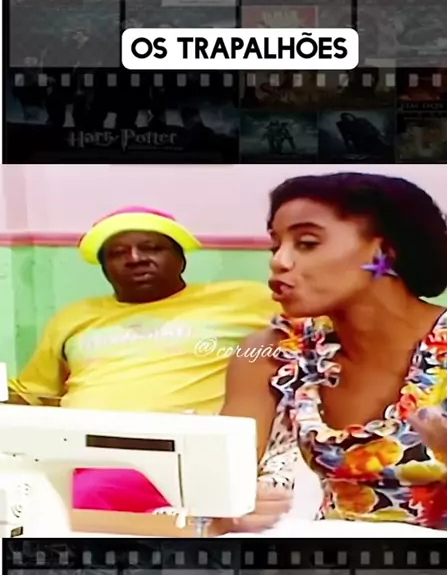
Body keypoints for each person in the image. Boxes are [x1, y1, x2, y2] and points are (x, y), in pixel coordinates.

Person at [221, 172, 447, 531]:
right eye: (275, 246)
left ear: (384, 250)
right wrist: (230, 506)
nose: (280, 261)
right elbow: (217, 483)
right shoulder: (273, 352)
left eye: (307, 243)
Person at [8, 206, 291, 526]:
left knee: (67, 499)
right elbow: (32, 394)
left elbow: (317, 333)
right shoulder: (72, 317)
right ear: (104, 267)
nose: (135, 259)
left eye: (152, 248)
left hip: (174, 454)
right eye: (117, 253)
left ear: (180, 258)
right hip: (76, 451)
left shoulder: (247, 299)